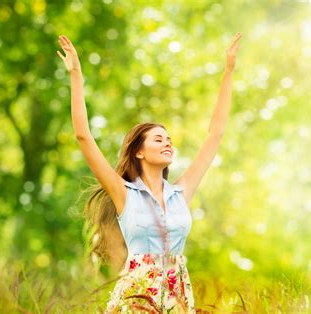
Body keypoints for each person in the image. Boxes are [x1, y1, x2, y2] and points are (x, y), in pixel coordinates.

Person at [57, 31, 242, 313]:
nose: (167, 142)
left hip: (177, 297)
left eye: (169, 139)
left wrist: (228, 71)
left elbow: (215, 134)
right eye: (158, 139)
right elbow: (83, 135)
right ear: (139, 152)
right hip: (135, 298)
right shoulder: (123, 194)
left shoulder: (181, 193)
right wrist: (76, 76)